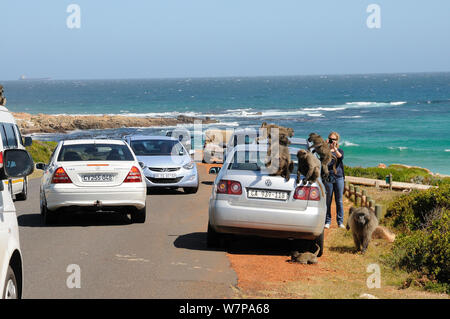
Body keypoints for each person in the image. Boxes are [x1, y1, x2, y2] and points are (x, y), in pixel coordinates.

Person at [324, 132, 345, 229]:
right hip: (328, 177)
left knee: (339, 200)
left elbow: (340, 157)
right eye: (331, 139)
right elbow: (322, 158)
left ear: (337, 140)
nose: (333, 141)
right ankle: (327, 221)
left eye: (334, 139)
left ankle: (340, 222)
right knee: (328, 200)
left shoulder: (339, 150)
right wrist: (325, 146)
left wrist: (335, 148)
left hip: (339, 177)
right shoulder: (325, 150)